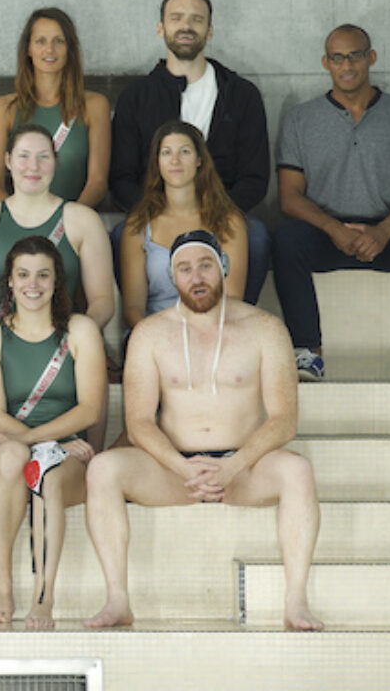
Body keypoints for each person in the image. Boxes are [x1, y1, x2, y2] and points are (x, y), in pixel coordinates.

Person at [83, 230, 324, 631]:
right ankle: (118, 599)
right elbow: (139, 422)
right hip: (175, 470)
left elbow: (284, 419)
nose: (196, 277)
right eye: (184, 269)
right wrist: (181, 467)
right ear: (172, 278)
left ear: (223, 268)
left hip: (244, 467)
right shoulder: (150, 333)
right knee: (103, 469)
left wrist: (234, 467)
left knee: (297, 471)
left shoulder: (265, 328)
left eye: (205, 266)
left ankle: (296, 600)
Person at [274, 24, 390, 382]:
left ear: (371, 57)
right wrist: (333, 228)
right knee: (284, 239)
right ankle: (309, 353)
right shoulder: (301, 119)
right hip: (326, 233)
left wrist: (385, 230)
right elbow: (289, 196)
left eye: (355, 55)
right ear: (325, 62)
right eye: (337, 57)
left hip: (388, 231)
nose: (347, 65)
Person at [0, 235, 105, 629]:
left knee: (45, 474)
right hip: (20, 445)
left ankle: (43, 596)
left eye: (43, 275)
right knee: (12, 456)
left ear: (57, 281)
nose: (33, 284)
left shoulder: (80, 330)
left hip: (67, 455)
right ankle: (2, 579)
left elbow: (90, 408)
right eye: (24, 275)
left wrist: (46, 442)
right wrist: (32, 441)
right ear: (10, 282)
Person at [108, 0, 270, 304]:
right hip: (157, 216)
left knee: (258, 236)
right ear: (161, 28)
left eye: (196, 20)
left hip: (222, 217)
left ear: (209, 31)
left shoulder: (241, 95)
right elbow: (122, 178)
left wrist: (214, 215)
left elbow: (255, 178)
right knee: (119, 236)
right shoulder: (136, 98)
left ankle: (237, 330)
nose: (186, 26)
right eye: (176, 18)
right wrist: (161, 215)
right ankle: (142, 328)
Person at [0, 124, 114, 331]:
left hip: (64, 347)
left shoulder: (84, 220)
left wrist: (77, 339)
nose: (34, 166)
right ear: (8, 161)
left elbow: (103, 301)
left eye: (44, 157)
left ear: (55, 162)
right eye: (24, 156)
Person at [120, 120, 248, 329]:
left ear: (199, 160)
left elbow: (232, 299)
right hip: (156, 335)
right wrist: (156, 341)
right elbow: (133, 308)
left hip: (213, 333)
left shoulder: (228, 221)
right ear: (157, 162)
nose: (175, 161)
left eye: (185, 152)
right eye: (166, 153)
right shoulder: (138, 225)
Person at [0, 8, 110, 208]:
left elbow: (97, 183)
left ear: (70, 48)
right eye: (40, 41)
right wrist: (21, 223)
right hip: (19, 227)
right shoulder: (3, 109)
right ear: (28, 49)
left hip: (73, 223)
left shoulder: (94, 106)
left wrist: (66, 222)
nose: (49, 50)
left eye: (58, 41)